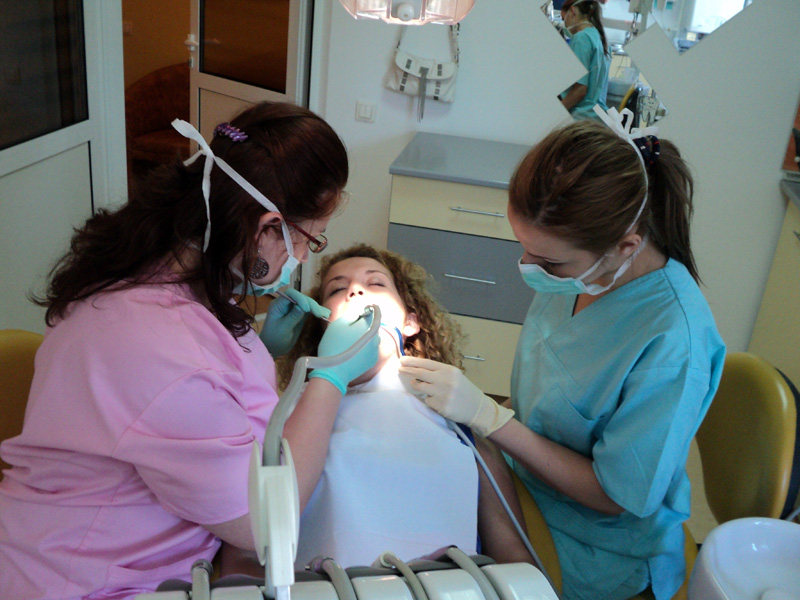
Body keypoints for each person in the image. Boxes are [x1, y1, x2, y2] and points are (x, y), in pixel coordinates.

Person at [0, 102, 379, 600]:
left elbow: (182, 395)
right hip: (83, 581)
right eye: (311, 238)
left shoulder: (150, 258)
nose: (306, 256)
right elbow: (263, 525)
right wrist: (328, 378)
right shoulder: (164, 352)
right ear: (266, 227)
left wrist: (255, 351)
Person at [399, 116, 726, 600]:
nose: (528, 268)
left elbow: (614, 496)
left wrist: (489, 417)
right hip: (525, 480)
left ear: (625, 247)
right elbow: (551, 386)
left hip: (597, 544)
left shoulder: (674, 342)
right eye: (525, 249)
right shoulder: (580, 274)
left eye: (548, 262)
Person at [279, 243, 532, 568]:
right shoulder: (291, 409)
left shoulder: (454, 415)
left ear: (410, 322)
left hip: (444, 587)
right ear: (323, 325)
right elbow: (257, 534)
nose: (355, 290)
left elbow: (515, 557)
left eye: (376, 283)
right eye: (337, 289)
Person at [558, 0, 611, 121]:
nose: (564, 24)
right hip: (597, 117)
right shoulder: (601, 38)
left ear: (572, 11)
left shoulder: (581, 38)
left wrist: (556, 112)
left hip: (581, 117)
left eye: (563, 19)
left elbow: (580, 90)